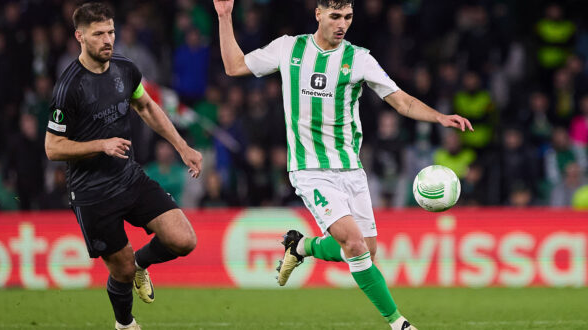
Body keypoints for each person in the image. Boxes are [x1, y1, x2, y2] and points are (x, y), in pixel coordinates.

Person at [213, 0, 473, 329]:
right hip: (310, 169)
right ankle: (399, 323)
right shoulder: (289, 49)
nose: (342, 24)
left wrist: (439, 117)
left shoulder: (359, 59)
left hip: (351, 169)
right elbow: (234, 66)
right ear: (318, 14)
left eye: (348, 17)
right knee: (353, 243)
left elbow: (401, 100)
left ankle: (301, 245)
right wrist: (225, 17)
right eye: (335, 16)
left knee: (367, 250)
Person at [44, 3, 202, 329]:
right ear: (80, 37)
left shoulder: (124, 69)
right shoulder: (69, 87)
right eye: (98, 33)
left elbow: (145, 105)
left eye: (111, 32)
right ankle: (125, 324)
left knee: (184, 240)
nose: (107, 39)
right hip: (92, 193)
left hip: (128, 178)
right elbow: (52, 147)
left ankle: (142, 262)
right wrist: (99, 145)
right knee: (122, 271)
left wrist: (182, 146)